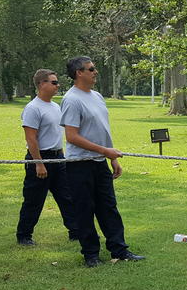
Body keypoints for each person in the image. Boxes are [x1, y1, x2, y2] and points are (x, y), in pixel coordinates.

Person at [60, 56, 145, 267]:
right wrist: (104, 151)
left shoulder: (97, 96)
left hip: (100, 162)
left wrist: (111, 157)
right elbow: (72, 136)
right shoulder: (71, 99)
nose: (95, 72)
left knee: (109, 207)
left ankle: (119, 249)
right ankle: (91, 255)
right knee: (85, 210)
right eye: (91, 69)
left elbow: (102, 129)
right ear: (79, 73)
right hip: (79, 164)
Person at [16, 69, 79, 246]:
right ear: (41, 84)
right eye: (54, 82)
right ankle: (24, 236)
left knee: (67, 197)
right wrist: (39, 163)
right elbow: (31, 138)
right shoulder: (33, 108)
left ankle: (75, 231)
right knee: (34, 200)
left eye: (57, 82)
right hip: (40, 159)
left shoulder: (55, 106)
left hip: (59, 159)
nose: (57, 86)